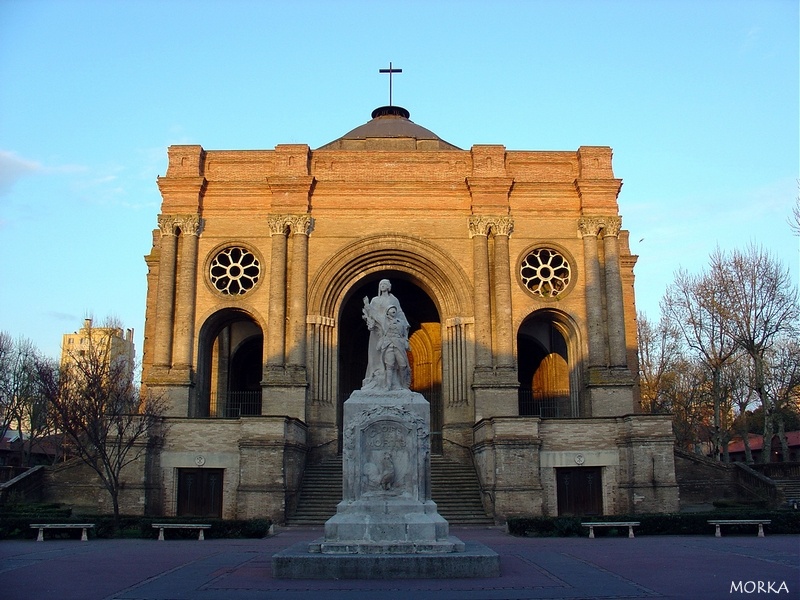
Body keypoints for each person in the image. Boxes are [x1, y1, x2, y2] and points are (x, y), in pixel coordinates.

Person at [361, 279, 410, 390]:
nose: (383, 286)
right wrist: (367, 306)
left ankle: (396, 383)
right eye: (381, 284)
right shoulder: (375, 300)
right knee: (376, 355)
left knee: (397, 361)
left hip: (392, 332)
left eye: (385, 284)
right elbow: (370, 313)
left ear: (389, 287)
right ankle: (376, 378)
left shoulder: (394, 299)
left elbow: (400, 313)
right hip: (377, 332)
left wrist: (404, 326)